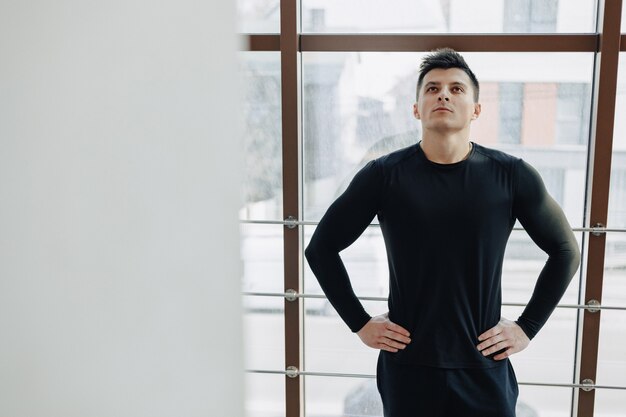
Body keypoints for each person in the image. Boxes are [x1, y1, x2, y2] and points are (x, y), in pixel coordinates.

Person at [305, 48, 581, 417]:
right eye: (432, 89)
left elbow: (566, 251)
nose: (444, 95)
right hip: (408, 366)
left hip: (483, 363)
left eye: (456, 89)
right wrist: (359, 322)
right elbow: (320, 249)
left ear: (476, 109)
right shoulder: (384, 175)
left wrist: (526, 327)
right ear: (416, 108)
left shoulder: (511, 175)